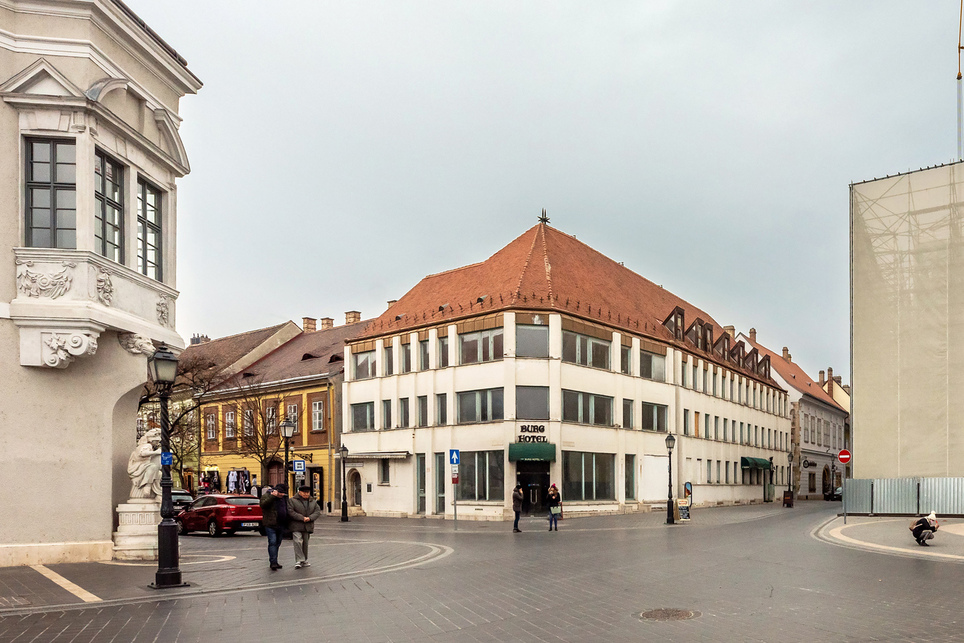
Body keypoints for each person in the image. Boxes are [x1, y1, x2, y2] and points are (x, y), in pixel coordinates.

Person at [288, 485, 322, 568]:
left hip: (308, 525)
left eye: (308, 493)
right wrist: (301, 518)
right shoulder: (292, 500)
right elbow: (290, 511)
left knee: (305, 543)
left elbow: (317, 511)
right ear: (299, 492)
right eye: (304, 493)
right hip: (296, 525)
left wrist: (310, 518)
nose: (306, 494)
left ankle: (305, 560)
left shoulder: (312, 501)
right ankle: (299, 560)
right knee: (298, 541)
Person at [260, 483, 288, 570]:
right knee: (272, 542)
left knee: (277, 543)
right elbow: (263, 505)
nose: (282, 495)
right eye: (281, 493)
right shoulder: (267, 496)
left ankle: (274, 560)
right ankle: (273, 562)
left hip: (281, 524)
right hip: (270, 524)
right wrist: (272, 497)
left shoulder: (284, 498)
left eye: (284, 493)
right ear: (276, 491)